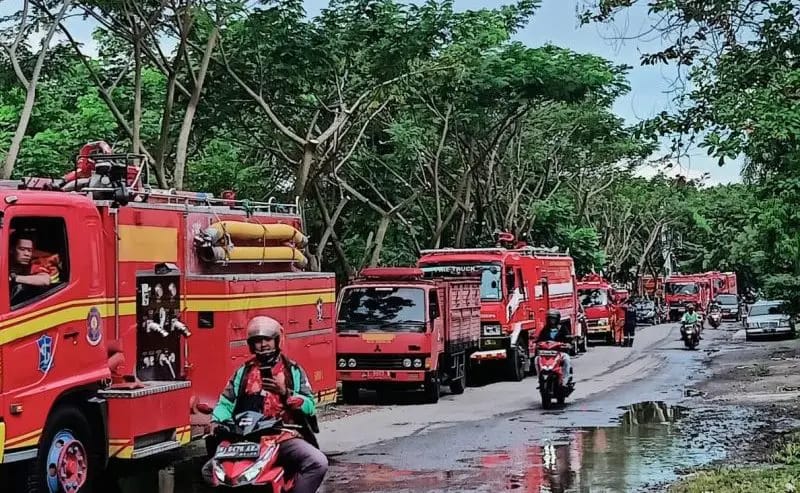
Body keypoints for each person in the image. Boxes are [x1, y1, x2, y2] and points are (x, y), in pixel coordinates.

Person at [203, 316, 328, 493]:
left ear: (277, 341)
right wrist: (215, 421)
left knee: (317, 462)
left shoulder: (292, 370)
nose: (262, 345)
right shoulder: (243, 371)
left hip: (282, 435)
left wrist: (286, 393)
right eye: (257, 341)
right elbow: (226, 402)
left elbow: (309, 404)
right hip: (245, 437)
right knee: (209, 471)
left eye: (267, 339)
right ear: (251, 345)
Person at [536, 309, 573, 386]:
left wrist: (567, 344)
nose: (551, 321)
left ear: (557, 319)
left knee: (567, 359)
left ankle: (565, 378)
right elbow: (539, 339)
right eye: (550, 319)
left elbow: (568, 339)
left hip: (560, 352)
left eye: (553, 319)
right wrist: (537, 344)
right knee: (536, 359)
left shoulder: (562, 328)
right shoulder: (545, 329)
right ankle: (540, 378)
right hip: (547, 354)